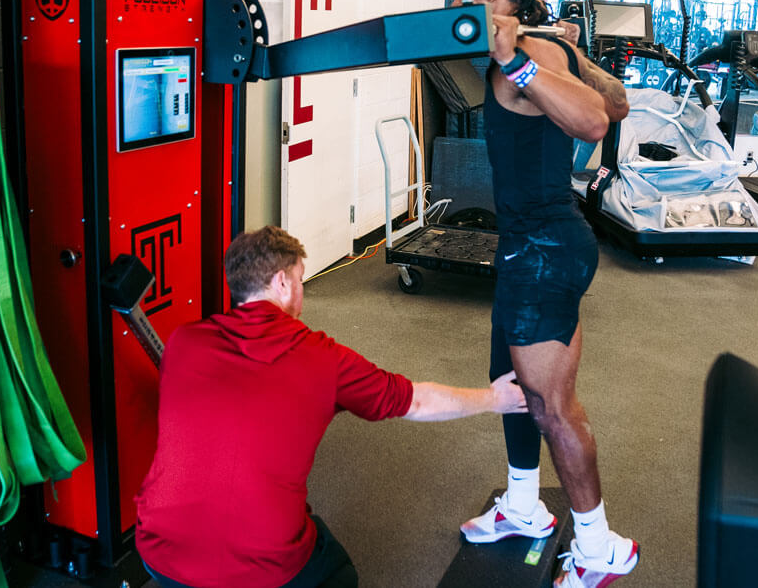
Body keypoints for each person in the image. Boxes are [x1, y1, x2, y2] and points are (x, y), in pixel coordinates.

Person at [134, 225, 527, 588]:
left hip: (157, 553)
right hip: (265, 567)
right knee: (338, 573)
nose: (301, 296)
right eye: (300, 280)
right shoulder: (323, 358)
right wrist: (495, 399)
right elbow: (417, 401)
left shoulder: (183, 343)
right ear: (282, 282)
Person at [450, 0, 638, 587]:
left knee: (553, 407)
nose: (455, 3)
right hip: (531, 246)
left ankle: (599, 548)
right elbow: (619, 99)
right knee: (512, 386)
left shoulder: (524, 58)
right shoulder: (555, 47)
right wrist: (569, 55)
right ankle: (524, 506)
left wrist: (517, 60)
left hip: (543, 251)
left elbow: (597, 121)